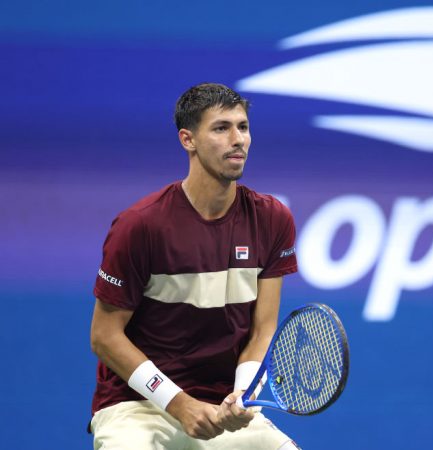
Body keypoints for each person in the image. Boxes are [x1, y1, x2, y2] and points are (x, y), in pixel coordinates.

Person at [89, 83, 301, 449]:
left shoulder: (272, 219)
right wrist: (178, 403)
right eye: (221, 128)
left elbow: (262, 329)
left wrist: (241, 394)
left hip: (222, 405)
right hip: (137, 408)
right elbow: (104, 336)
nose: (238, 140)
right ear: (188, 140)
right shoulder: (141, 226)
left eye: (243, 127)